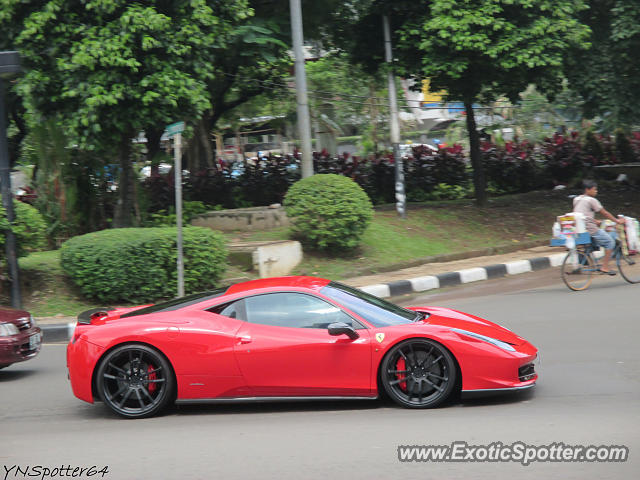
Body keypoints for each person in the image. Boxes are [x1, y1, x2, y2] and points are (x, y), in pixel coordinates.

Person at [573, 180, 625, 275]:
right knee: (610, 242)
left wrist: (595, 221)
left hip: (580, 229)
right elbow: (605, 213)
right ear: (587, 190)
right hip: (591, 230)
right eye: (594, 189)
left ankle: (591, 261)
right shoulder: (591, 200)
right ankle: (605, 267)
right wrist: (617, 221)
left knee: (597, 242)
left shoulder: (576, 199)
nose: (596, 191)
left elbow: (582, 214)